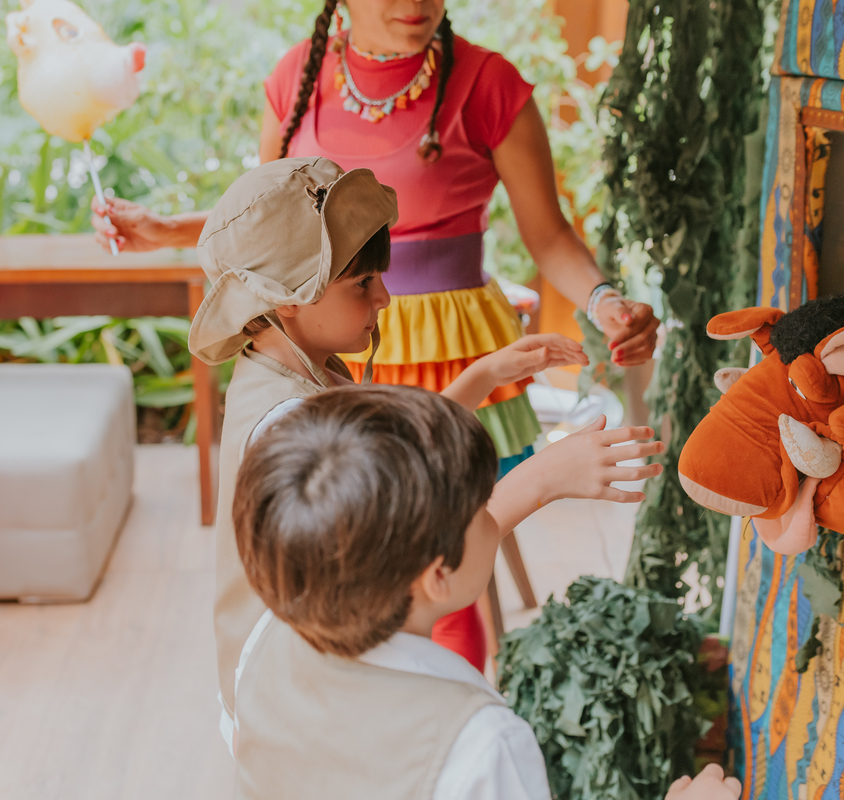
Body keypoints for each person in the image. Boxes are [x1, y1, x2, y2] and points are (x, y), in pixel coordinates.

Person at [94, 0, 661, 666]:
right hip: (337, 336)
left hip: (439, 347)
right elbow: (275, 222)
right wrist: (170, 230)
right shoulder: (295, 80)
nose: (415, 3)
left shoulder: (487, 83)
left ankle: (444, 707)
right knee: (391, 552)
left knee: (440, 560)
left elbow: (549, 234)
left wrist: (602, 302)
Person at [187, 156, 662, 754]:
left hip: (299, 686)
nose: (385, 296)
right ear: (288, 298)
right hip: (307, 717)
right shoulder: (291, 423)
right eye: (362, 284)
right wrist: (543, 480)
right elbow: (423, 564)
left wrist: (484, 376)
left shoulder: (281, 368)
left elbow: (391, 453)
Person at [231, 385, 738, 800]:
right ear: (437, 577)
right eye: (480, 504)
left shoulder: (267, 640)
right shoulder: (480, 745)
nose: (492, 511)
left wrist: (542, 480)